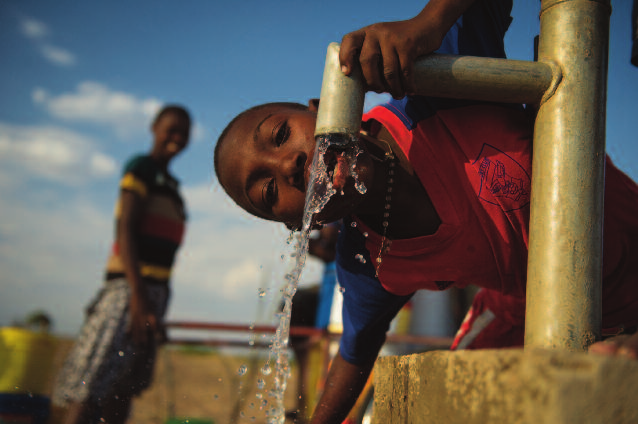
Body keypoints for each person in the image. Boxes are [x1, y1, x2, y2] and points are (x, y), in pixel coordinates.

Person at [213, 1, 638, 423]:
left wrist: (428, 23)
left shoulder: (438, 91)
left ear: (321, 105)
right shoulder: (367, 261)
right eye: (268, 190)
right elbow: (355, 352)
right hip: (534, 315)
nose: (287, 164)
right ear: (297, 224)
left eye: (281, 134)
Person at [52, 105, 191, 424]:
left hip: (152, 294)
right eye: (171, 129)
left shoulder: (173, 186)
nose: (177, 137)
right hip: (128, 290)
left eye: (183, 133)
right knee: (91, 385)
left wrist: (156, 307)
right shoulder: (141, 168)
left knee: (122, 389)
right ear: (154, 128)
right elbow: (125, 228)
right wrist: (138, 297)